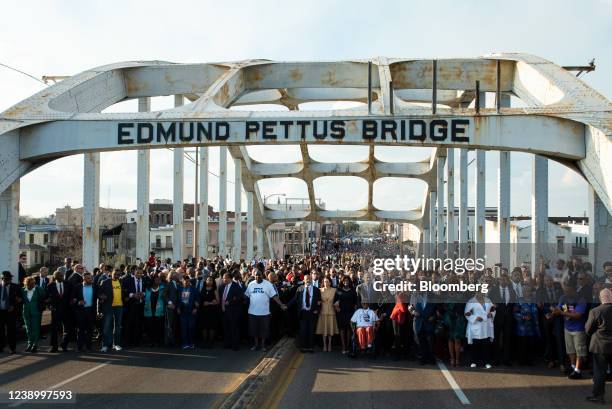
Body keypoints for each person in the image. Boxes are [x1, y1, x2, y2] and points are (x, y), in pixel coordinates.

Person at [553, 283, 588, 379]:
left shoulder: (581, 300)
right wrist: (554, 311)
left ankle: (578, 370)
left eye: (568, 291)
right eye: (565, 291)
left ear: (574, 290)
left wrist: (561, 312)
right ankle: (573, 367)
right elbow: (558, 308)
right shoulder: (563, 298)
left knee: (579, 351)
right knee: (570, 350)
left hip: (578, 329)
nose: (566, 293)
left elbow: (577, 315)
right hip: (567, 328)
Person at [244, 270, 285, 351]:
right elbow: (246, 296)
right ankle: (256, 345)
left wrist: (281, 304)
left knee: (264, 330)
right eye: (256, 275)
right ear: (254, 276)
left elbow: (274, 296)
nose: (257, 277)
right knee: (254, 330)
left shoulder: (268, 284)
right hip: (252, 312)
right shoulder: (251, 284)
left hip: (264, 313)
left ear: (262, 275)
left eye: (259, 275)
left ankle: (263, 345)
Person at [585, 288, 612, 404]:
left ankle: (598, 396)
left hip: (600, 346)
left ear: (601, 298)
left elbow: (588, 329)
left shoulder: (595, 311)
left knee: (599, 372)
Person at [290, 274, 321, 352]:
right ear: (303, 280)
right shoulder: (300, 289)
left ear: (311, 280)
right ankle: (303, 347)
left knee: (311, 330)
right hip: (303, 313)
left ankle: (311, 347)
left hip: (312, 313)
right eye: (306, 279)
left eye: (309, 279)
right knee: (303, 330)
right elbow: (294, 299)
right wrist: (286, 306)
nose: (308, 280)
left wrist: (317, 309)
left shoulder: (316, 290)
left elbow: (319, 301)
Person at [465, 291, 495, 369]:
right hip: (476, 326)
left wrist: (491, 314)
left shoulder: (488, 300)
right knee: (475, 345)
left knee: (486, 345)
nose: (480, 293)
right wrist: (475, 318)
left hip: (486, 326)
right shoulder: (471, 301)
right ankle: (474, 361)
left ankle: (487, 362)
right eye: (478, 292)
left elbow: (493, 309)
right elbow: (466, 313)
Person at [98, 268, 125, 352]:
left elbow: (124, 292)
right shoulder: (105, 282)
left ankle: (116, 344)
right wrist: (101, 297)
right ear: (111, 273)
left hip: (119, 306)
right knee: (106, 327)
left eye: (118, 274)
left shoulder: (121, 282)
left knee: (117, 327)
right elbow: (99, 294)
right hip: (109, 307)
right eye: (115, 274)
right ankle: (105, 345)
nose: (117, 276)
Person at [513, 285, 540, 365]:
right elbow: (515, 313)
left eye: (529, 291)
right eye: (525, 291)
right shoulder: (519, 301)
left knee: (531, 345)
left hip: (532, 328)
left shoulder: (534, 301)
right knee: (522, 345)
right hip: (522, 328)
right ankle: (521, 361)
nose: (527, 293)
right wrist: (523, 317)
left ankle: (530, 361)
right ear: (523, 292)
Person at [47, 270, 71, 352]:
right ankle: (54, 346)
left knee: (67, 328)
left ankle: (64, 344)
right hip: (56, 310)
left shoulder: (67, 284)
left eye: (62, 275)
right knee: (54, 329)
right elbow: (47, 298)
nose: (62, 277)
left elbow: (71, 295)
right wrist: (50, 306)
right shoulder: (50, 286)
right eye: (60, 276)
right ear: (55, 277)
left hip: (66, 310)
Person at [220, 272, 244, 350]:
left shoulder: (236, 286)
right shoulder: (222, 287)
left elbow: (240, 297)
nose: (223, 279)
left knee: (234, 328)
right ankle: (227, 343)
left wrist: (230, 302)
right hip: (224, 311)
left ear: (229, 278)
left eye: (225, 278)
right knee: (226, 328)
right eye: (223, 278)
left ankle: (235, 345)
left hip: (234, 311)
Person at [73, 272, 96, 352]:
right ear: (84, 279)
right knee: (81, 330)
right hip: (81, 311)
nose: (90, 279)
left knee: (90, 330)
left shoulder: (94, 286)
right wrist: (78, 302)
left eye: (91, 278)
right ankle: (80, 346)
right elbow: (72, 299)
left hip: (91, 311)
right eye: (89, 278)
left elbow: (98, 295)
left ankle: (89, 346)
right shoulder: (77, 287)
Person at [22, 276, 45, 352]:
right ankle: (29, 343)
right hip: (26, 312)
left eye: (34, 283)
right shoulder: (23, 290)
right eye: (31, 284)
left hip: (36, 312)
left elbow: (44, 298)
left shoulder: (39, 290)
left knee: (35, 328)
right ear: (26, 284)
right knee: (28, 329)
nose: (33, 285)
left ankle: (35, 344)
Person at [335, 275, 357, 354]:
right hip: (341, 313)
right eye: (344, 281)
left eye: (347, 281)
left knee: (348, 330)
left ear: (349, 281)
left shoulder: (353, 290)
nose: (346, 282)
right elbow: (335, 300)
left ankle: (347, 346)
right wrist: (336, 305)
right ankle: (343, 347)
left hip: (350, 313)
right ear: (342, 281)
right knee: (342, 330)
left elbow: (355, 302)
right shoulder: (338, 290)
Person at [316, 277, 339, 352]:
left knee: (330, 329)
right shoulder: (319, 290)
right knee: (324, 330)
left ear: (330, 282)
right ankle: (324, 345)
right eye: (325, 281)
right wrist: (318, 303)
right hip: (323, 312)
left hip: (332, 312)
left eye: (327, 281)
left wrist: (338, 302)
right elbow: (316, 299)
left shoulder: (334, 290)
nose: (326, 283)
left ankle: (329, 344)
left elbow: (339, 297)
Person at [0, 271, 21, 354]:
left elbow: (20, 299)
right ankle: (1, 347)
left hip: (11, 312)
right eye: (8, 279)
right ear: (2, 279)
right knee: (0, 330)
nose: (10, 280)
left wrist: (14, 305)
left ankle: (12, 348)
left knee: (11, 330)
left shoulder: (15, 287)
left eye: (10, 278)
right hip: (1, 312)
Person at [177, 275, 199, 349]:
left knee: (191, 327)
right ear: (182, 281)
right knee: (184, 328)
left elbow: (198, 299)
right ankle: (185, 343)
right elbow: (178, 300)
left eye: (188, 281)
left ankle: (192, 343)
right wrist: (178, 308)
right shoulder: (180, 289)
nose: (187, 282)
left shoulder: (194, 289)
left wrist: (196, 308)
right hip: (183, 311)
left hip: (191, 311)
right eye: (185, 281)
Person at [144, 274, 165, 347]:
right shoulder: (148, 289)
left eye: (159, 280)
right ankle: (150, 341)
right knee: (149, 326)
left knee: (158, 326)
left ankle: (157, 341)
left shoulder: (163, 288)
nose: (158, 281)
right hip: (149, 310)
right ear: (153, 281)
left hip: (159, 310)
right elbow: (144, 298)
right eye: (156, 280)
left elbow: (165, 298)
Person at [199, 275, 219, 348]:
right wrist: (203, 303)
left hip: (212, 311)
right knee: (204, 326)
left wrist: (210, 303)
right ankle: (205, 341)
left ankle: (210, 342)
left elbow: (218, 301)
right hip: (203, 311)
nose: (209, 281)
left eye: (211, 280)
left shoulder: (214, 290)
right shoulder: (203, 289)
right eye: (208, 280)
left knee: (211, 327)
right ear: (205, 281)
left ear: (213, 282)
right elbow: (200, 299)